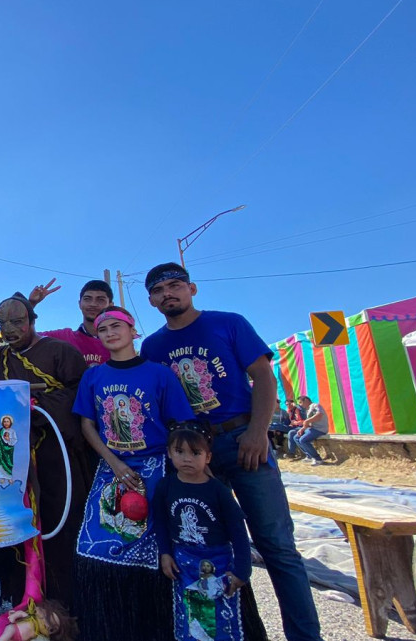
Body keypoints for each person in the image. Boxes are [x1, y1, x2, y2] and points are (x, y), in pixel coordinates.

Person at [140, 262, 319, 641]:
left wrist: (258, 432)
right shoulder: (153, 346)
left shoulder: (228, 323)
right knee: (204, 547)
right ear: (152, 300)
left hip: (242, 440)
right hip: (192, 453)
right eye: (159, 290)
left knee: (276, 547)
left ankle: (305, 637)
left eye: (175, 285)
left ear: (192, 289)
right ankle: (226, 632)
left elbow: (264, 376)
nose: (168, 294)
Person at [72, 306, 196, 641]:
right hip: (111, 468)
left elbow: (179, 425)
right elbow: (87, 424)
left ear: (132, 331)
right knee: (98, 546)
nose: (110, 333)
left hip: (155, 468)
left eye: (117, 326)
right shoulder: (93, 376)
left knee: (156, 552)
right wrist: (114, 463)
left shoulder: (159, 374)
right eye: (103, 329)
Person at [0, 293, 88, 611]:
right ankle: (23, 597)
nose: (10, 329)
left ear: (32, 321)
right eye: (2, 324)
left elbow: (79, 391)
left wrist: (34, 408)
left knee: (60, 526)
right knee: (19, 522)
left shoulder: (61, 351)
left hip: (55, 452)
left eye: (17, 321)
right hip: (14, 456)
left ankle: (64, 605)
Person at [155, 425, 253, 641]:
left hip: (217, 562)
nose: (187, 459)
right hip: (183, 562)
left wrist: (243, 571)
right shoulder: (166, 486)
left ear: (208, 457)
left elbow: (238, 530)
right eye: (180, 452)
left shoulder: (219, 491)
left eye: (195, 453)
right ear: (170, 453)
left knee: (220, 619)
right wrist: (165, 553)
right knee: (190, 616)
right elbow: (160, 522)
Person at [27, 278, 113, 369]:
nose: (93, 304)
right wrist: (31, 304)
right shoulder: (65, 337)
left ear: (111, 305)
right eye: (87, 299)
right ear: (79, 304)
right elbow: (25, 337)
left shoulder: (119, 340)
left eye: (100, 300)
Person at [288, 396, 328, 466]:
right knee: (296, 437)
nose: (300, 405)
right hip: (312, 428)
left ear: (306, 400)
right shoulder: (308, 409)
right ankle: (309, 456)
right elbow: (308, 423)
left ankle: (318, 459)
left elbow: (319, 415)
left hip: (319, 429)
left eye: (301, 402)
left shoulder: (315, 405)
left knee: (303, 440)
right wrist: (303, 428)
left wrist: (307, 421)